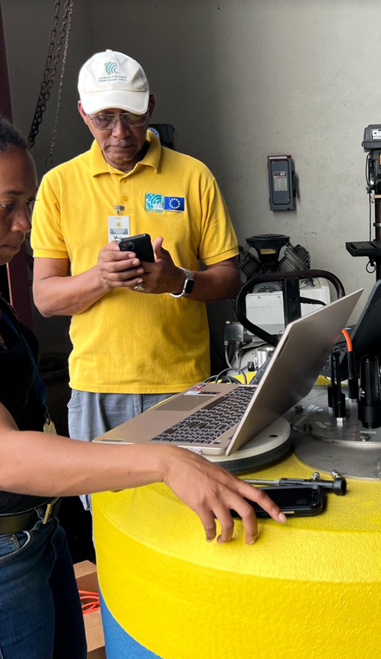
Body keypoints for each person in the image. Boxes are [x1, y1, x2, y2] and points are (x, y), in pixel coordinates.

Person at [0, 101, 283, 659]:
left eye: (26, 204)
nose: (24, 224)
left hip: (27, 534)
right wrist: (166, 462)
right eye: (8, 206)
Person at [31, 49, 242, 452]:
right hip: (96, 387)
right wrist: (100, 277)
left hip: (183, 385)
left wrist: (179, 281)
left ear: (150, 107)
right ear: (82, 113)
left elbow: (229, 279)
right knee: (109, 511)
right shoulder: (59, 186)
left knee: (186, 512)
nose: (120, 133)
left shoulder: (194, 176)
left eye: (132, 116)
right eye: (104, 119)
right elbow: (45, 298)